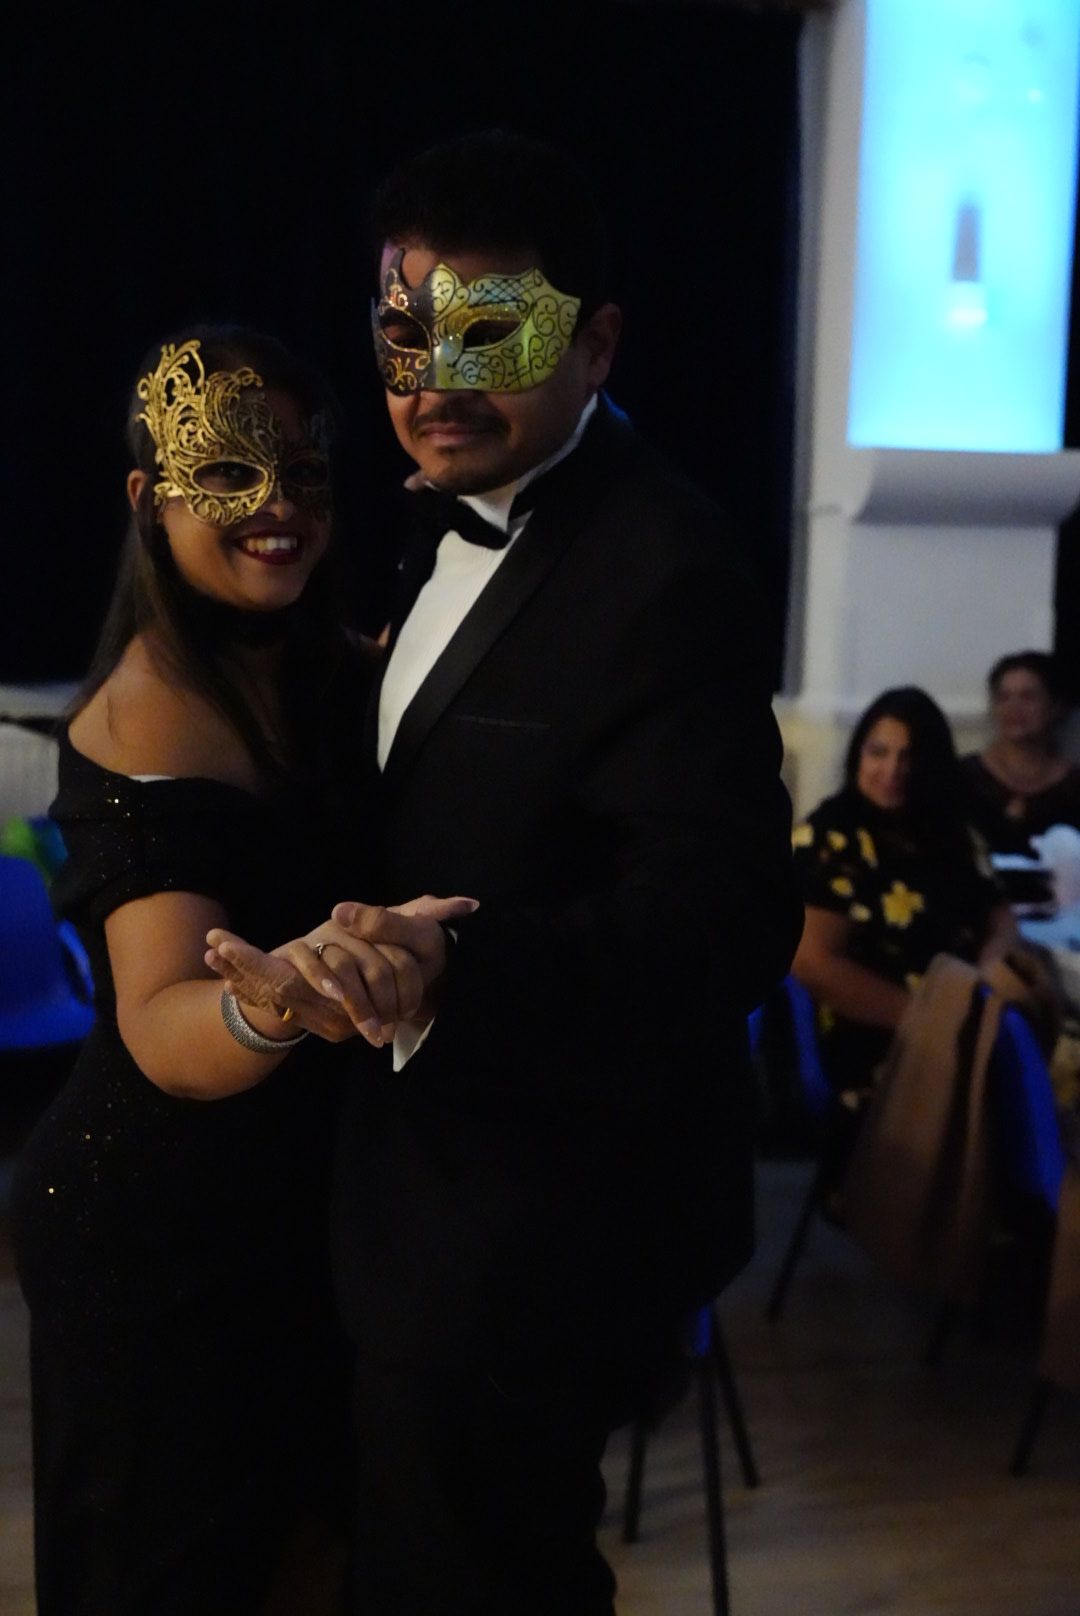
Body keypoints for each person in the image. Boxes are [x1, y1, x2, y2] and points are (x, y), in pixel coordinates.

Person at [208, 130, 802, 1616]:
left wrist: (455, 969)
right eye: (404, 334)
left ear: (596, 344)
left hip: (533, 1222)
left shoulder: (667, 567)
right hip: (396, 1185)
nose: (434, 381)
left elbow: (724, 923)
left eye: (493, 334)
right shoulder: (428, 520)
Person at [11, 326, 466, 1616]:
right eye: (228, 470)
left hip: (292, 1209)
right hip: (158, 1233)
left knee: (311, 1559)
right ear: (149, 498)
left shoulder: (315, 666)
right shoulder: (149, 705)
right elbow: (160, 1021)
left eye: (307, 471)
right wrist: (271, 1000)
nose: (279, 504)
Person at [791, 685, 1016, 1108]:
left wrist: (992, 972)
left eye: (909, 757)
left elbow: (1000, 916)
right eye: (878, 752)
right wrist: (929, 1019)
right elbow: (812, 962)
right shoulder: (833, 836)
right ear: (858, 755)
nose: (892, 770)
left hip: (965, 1012)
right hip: (878, 1030)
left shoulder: (951, 831)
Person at [960, 650, 1080, 862]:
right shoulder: (962, 776)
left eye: (1028, 697)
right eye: (1004, 697)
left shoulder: (1074, 786)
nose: (1013, 707)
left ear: (1055, 706)